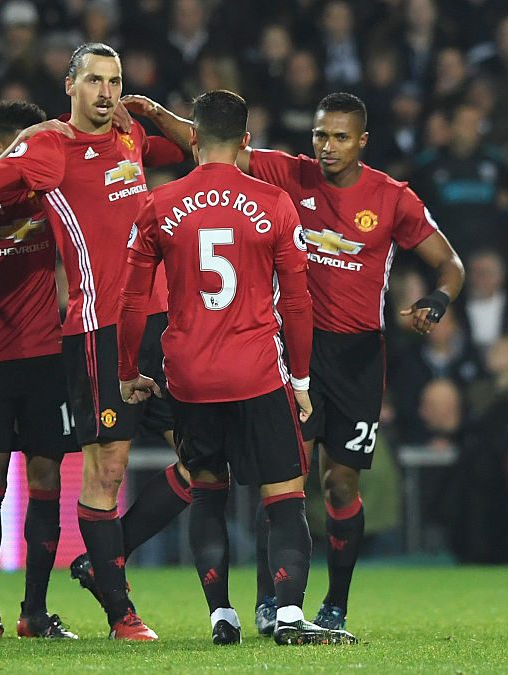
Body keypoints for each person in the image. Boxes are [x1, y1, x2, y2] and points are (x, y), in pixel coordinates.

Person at [120, 91, 464, 634]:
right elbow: (216, 141)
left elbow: (449, 262)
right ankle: (272, 605)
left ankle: (335, 604)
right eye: (321, 135)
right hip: (291, 350)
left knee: (340, 486)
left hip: (356, 357)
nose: (327, 148)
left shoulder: (392, 198)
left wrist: (438, 300)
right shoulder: (291, 175)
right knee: (284, 479)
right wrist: (156, 115)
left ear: (362, 142)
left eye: (340, 138)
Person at [0, 43, 186, 640]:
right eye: (94, 80)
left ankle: (110, 567)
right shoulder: (50, 147)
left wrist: (157, 115)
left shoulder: (130, 136)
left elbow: (203, 147)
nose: (106, 91)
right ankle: (122, 614)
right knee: (106, 471)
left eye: (114, 81)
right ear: (70, 85)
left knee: (204, 458)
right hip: (98, 329)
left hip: (163, 319)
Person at [116, 89, 355, 646]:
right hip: (257, 372)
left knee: (207, 491)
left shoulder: (159, 204)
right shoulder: (273, 203)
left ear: (193, 139)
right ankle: (290, 615)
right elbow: (297, 303)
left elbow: (131, 301)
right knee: (284, 496)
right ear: (246, 140)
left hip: (190, 375)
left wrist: (129, 369)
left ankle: (221, 615)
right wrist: (299, 380)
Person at [0, 100, 77, 640]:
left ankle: (34, 611)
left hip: (47, 358)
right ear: (2, 150)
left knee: (47, 480)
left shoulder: (48, 197)